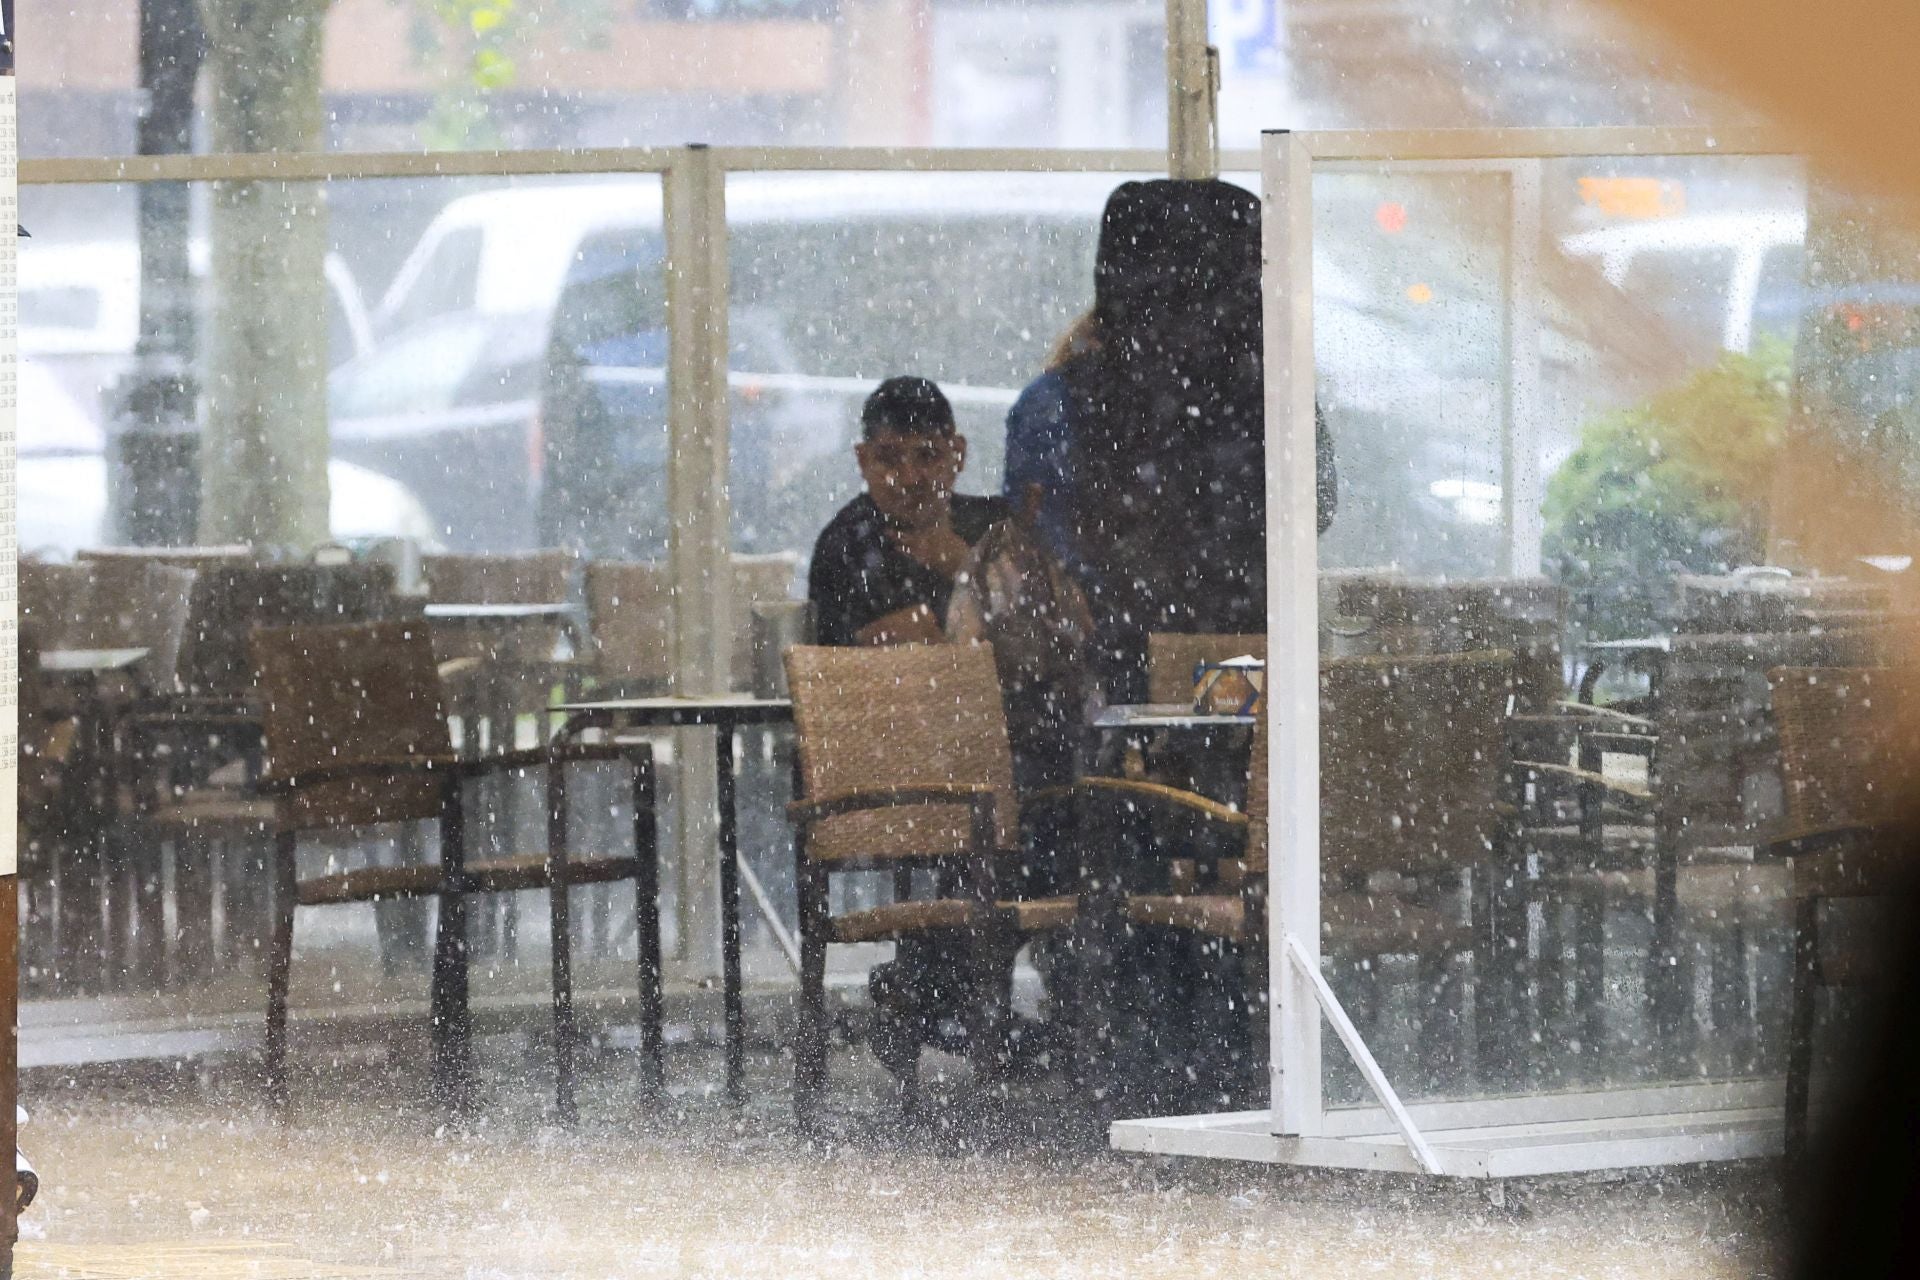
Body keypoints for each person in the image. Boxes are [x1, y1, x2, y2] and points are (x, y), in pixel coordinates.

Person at [809, 375, 1008, 648]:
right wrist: (868, 650)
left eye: (927, 456)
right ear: (863, 460)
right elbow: (826, 673)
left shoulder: (995, 528)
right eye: (889, 459)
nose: (909, 477)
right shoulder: (844, 548)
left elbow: (1048, 652)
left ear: (957, 454)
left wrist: (968, 570)